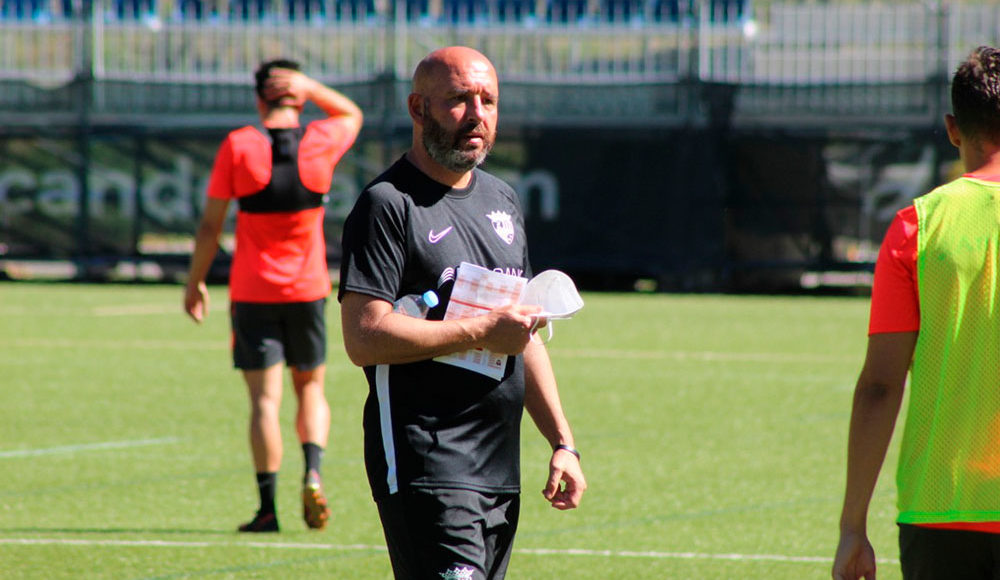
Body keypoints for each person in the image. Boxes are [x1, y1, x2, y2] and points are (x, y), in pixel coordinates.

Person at [338, 46, 586, 579]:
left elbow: (521, 336)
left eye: (487, 101)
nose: (476, 115)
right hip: (427, 461)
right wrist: (481, 330)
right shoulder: (388, 204)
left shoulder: (502, 200)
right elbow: (363, 336)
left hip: (498, 469)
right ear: (418, 108)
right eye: (458, 100)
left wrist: (563, 442)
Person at [833, 45, 1000, 580]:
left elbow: (880, 386)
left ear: (953, 129)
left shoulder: (917, 226)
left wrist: (852, 526)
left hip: (939, 509)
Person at [183, 59, 363, 533]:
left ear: (258, 98)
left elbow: (210, 227)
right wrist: (312, 86)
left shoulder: (240, 145)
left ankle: (267, 510)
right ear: (298, 97)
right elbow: (352, 114)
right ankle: (314, 473)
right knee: (312, 388)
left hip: (253, 290)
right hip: (308, 290)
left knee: (265, 401)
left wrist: (195, 281)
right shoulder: (320, 139)